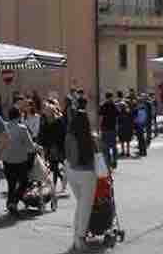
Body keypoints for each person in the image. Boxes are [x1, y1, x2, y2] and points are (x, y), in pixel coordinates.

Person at [65, 101, 98, 253]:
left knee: (80, 204)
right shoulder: (91, 137)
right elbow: (98, 158)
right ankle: (79, 238)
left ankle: (76, 236)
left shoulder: (69, 135)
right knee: (85, 207)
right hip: (87, 174)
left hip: (71, 171)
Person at [1, 107, 37, 217]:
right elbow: (30, 146)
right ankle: (14, 201)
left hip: (7, 160)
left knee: (11, 183)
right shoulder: (22, 129)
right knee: (24, 182)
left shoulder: (3, 127)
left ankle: (10, 203)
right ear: (18, 116)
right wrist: (36, 148)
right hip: (20, 160)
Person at [38, 101, 67, 195]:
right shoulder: (44, 121)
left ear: (52, 111)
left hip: (56, 147)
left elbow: (63, 134)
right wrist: (40, 144)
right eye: (46, 111)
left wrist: (61, 146)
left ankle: (54, 186)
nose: (46, 112)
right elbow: (41, 134)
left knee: (54, 166)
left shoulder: (59, 121)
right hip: (48, 146)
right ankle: (61, 178)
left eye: (48, 111)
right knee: (52, 166)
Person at [98, 92, 119, 169]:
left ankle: (108, 162)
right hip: (112, 128)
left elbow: (100, 117)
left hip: (105, 128)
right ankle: (114, 161)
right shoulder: (114, 106)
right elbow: (117, 117)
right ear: (111, 97)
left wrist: (100, 128)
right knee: (113, 146)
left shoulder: (103, 105)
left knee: (105, 147)